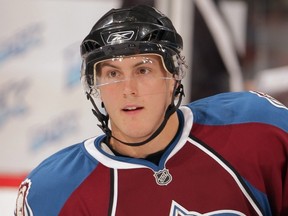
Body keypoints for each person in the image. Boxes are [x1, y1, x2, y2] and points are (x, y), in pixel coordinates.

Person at [15, 4, 288, 216]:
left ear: (174, 78)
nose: (128, 88)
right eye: (112, 74)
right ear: (94, 86)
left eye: (143, 69)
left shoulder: (257, 128)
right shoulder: (56, 191)